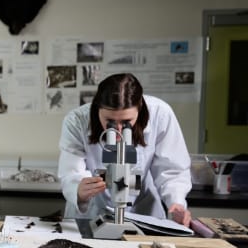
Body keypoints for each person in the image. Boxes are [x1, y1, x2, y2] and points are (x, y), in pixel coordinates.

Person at [58, 73, 192, 226]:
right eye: (110, 121)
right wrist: (79, 189)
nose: (118, 131)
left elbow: (172, 170)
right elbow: (71, 172)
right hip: (91, 214)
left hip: (143, 211)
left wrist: (176, 202)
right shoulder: (77, 121)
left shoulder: (160, 114)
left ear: (140, 110)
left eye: (127, 122)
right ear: (97, 109)